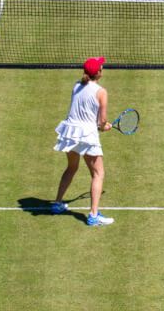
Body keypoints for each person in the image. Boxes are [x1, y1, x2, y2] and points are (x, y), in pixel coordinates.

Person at [51, 57, 114, 226]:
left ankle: (57, 204)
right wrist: (105, 127)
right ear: (98, 73)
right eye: (101, 66)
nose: (103, 67)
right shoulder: (101, 92)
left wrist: (100, 125)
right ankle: (93, 215)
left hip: (70, 132)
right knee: (98, 174)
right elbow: (101, 123)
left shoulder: (76, 86)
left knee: (72, 167)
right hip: (86, 135)